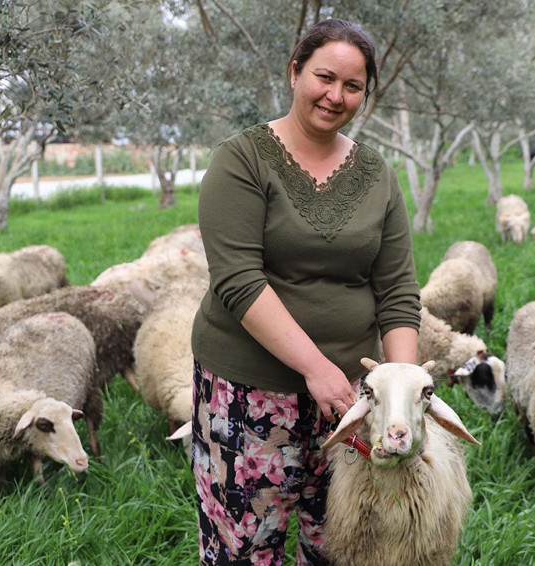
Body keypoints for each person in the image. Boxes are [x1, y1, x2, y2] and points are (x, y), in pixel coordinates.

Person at [190, 18, 422, 566]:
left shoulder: (377, 174)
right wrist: (315, 369)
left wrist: (400, 388)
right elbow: (238, 280)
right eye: (324, 77)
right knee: (247, 546)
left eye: (353, 86)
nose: (335, 96)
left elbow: (397, 289)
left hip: (350, 401)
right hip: (250, 395)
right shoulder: (241, 160)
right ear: (295, 71)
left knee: (342, 543)